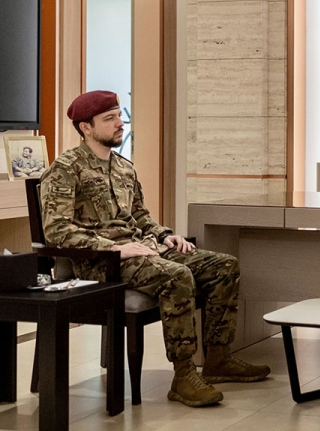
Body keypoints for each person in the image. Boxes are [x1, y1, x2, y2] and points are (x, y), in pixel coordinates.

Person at [40, 90, 270, 408]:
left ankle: (218, 358)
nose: (120, 123)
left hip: (142, 249)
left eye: (119, 115)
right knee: (177, 275)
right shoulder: (66, 169)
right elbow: (57, 231)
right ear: (86, 128)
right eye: (109, 118)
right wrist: (114, 249)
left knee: (223, 266)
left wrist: (165, 236)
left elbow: (140, 217)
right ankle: (183, 375)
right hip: (100, 262)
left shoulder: (124, 167)